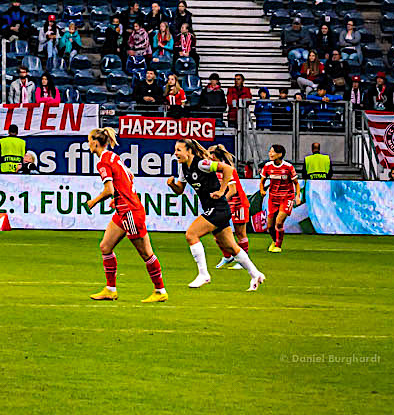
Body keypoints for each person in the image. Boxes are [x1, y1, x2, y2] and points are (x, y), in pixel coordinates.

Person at [169, 138, 265, 291]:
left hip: (218, 208)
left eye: (179, 150)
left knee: (191, 235)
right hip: (215, 208)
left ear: (189, 151)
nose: (176, 153)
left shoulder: (202, 164)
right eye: (175, 150)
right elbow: (179, 190)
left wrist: (221, 191)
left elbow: (228, 169)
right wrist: (172, 184)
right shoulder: (183, 168)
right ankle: (256, 274)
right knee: (231, 247)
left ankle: (203, 274)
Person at [86, 125, 167, 304]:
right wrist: (119, 198)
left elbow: (109, 189)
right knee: (105, 246)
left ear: (95, 142)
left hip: (129, 211)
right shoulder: (114, 157)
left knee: (146, 253)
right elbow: (129, 177)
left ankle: (160, 290)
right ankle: (110, 289)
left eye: (90, 140)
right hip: (124, 209)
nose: (88, 144)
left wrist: (94, 201)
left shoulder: (103, 162)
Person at [257, 144, 300, 252]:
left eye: (272, 152)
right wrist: (262, 190)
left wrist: (297, 197)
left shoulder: (288, 167)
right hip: (273, 199)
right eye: (270, 151)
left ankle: (278, 246)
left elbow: (296, 183)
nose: (270, 154)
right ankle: (274, 241)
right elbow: (262, 181)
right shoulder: (267, 166)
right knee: (270, 226)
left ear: (280, 154)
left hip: (287, 198)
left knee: (279, 222)